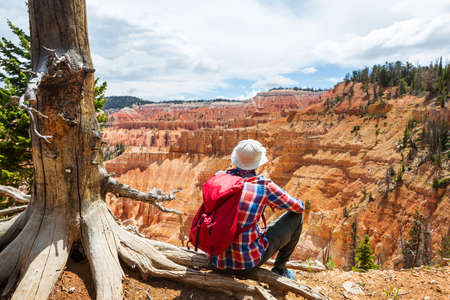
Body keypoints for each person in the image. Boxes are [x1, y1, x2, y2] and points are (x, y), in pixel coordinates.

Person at [209, 139, 304, 279]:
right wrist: (270, 200)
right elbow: (298, 207)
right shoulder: (263, 185)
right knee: (296, 217)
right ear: (258, 162)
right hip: (246, 264)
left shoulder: (219, 178)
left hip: (215, 261)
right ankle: (280, 269)